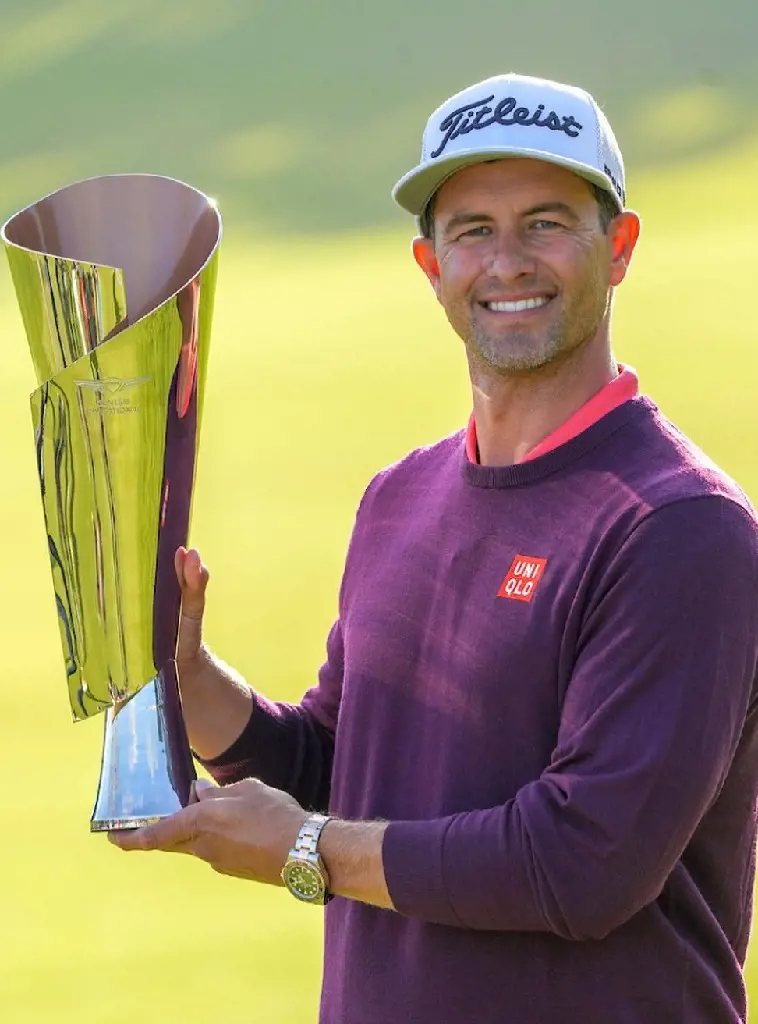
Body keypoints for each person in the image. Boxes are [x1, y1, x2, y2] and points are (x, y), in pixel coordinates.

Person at [110, 73, 758, 1023]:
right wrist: (192, 684)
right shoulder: (398, 499)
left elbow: (583, 863)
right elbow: (344, 774)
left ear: (618, 249)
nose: (508, 263)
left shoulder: (678, 528)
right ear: (429, 264)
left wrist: (306, 850)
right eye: (472, 232)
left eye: (546, 222)